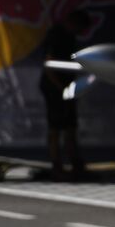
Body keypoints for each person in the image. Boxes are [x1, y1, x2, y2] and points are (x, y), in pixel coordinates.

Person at [40, 10, 93, 180]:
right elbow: (49, 64)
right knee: (55, 126)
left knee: (70, 124)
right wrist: (60, 87)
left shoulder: (70, 37)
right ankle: (56, 163)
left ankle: (74, 159)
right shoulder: (57, 35)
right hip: (54, 87)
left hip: (67, 86)